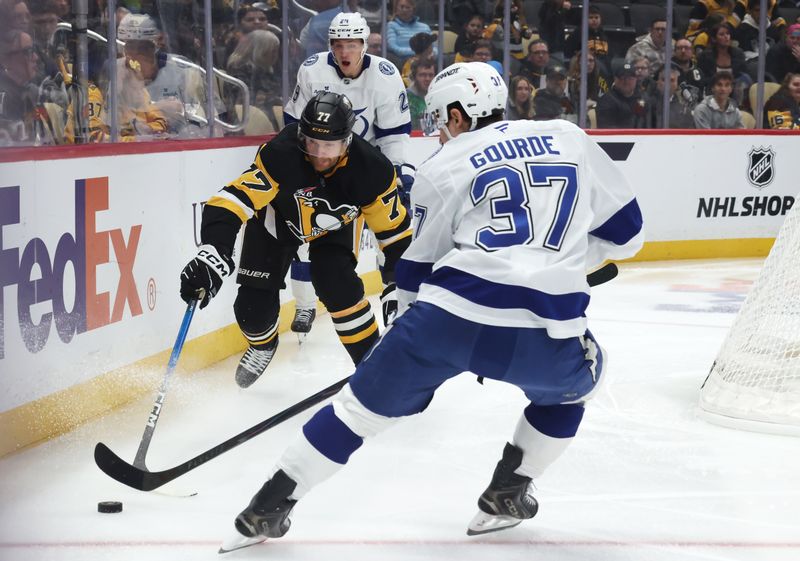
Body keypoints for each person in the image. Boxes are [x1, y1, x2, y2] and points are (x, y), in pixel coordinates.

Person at [224, 61, 644, 548]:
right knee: (577, 387)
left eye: (443, 118)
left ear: (462, 115)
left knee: (357, 412)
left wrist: (403, 341)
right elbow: (628, 234)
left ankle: (267, 507)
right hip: (546, 326)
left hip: (449, 318)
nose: (440, 131)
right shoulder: (568, 136)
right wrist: (568, 260)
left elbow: (416, 273)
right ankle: (509, 490)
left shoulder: (442, 167)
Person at [179, 92, 412, 390]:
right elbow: (231, 200)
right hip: (276, 223)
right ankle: (263, 345)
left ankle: (373, 368)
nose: (319, 154)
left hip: (332, 229)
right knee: (251, 313)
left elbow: (396, 236)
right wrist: (214, 249)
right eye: (312, 143)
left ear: (348, 141)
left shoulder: (372, 170)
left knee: (338, 286)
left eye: (329, 146)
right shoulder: (281, 152)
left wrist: (399, 287)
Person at [263, 11, 414, 371]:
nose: (345, 51)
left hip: (365, 168)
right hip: (320, 162)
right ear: (330, 46)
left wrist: (398, 173)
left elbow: (394, 134)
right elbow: (294, 125)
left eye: (352, 44)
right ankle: (303, 304)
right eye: (338, 44)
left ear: (365, 45)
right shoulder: (314, 70)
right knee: (307, 233)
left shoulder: (385, 76)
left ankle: (394, 292)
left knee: (390, 230)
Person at [595, 62, 647, 129]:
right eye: (622, 78)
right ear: (615, 79)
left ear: (636, 79)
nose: (626, 81)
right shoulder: (606, 100)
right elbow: (605, 127)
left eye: (630, 78)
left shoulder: (643, 98)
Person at [644, 64, 696, 129]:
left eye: (672, 80)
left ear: (677, 84)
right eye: (664, 79)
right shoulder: (647, 104)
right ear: (657, 82)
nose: (667, 84)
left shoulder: (684, 110)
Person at [564, 5, 610, 74]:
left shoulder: (603, 34)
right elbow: (569, 52)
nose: (594, 20)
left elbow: (608, 54)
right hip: (583, 66)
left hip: (602, 66)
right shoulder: (578, 33)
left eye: (596, 17)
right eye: (590, 17)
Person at [671, 37, 704, 109]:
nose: (683, 51)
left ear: (692, 51)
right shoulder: (666, 70)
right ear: (674, 51)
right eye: (679, 48)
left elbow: (701, 97)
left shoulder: (698, 72)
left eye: (686, 48)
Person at [406, 56, 435, 130]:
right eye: (422, 75)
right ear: (414, 77)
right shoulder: (406, 98)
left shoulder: (439, 95)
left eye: (431, 75)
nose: (427, 79)